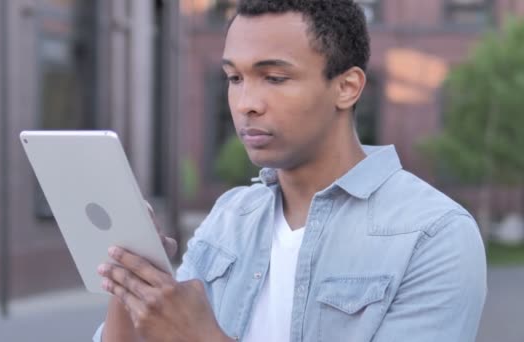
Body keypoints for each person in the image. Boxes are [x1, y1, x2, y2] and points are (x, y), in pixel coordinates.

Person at [93, 0, 487, 341]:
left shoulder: (434, 234)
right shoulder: (231, 216)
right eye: (234, 78)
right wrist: (129, 282)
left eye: (274, 78)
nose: (246, 103)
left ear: (347, 87)